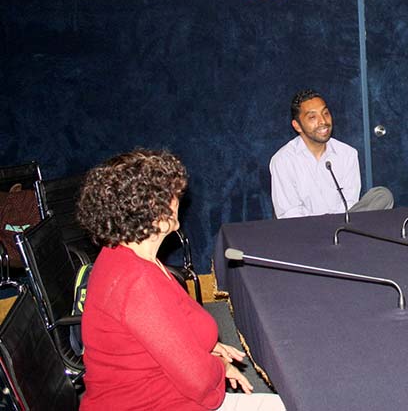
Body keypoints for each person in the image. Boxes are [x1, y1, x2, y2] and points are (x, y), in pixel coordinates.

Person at [76, 149, 285, 410]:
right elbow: (199, 383)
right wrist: (218, 366)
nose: (178, 199)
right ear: (153, 212)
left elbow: (164, 331)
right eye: (171, 194)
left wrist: (205, 347)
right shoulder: (137, 283)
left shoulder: (124, 254)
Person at [269, 89, 393, 219]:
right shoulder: (283, 160)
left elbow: (350, 204)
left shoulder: (347, 154)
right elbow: (290, 213)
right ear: (297, 126)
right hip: (304, 231)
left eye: (326, 113)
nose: (323, 121)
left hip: (342, 228)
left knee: (382, 195)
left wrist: (337, 225)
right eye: (312, 117)